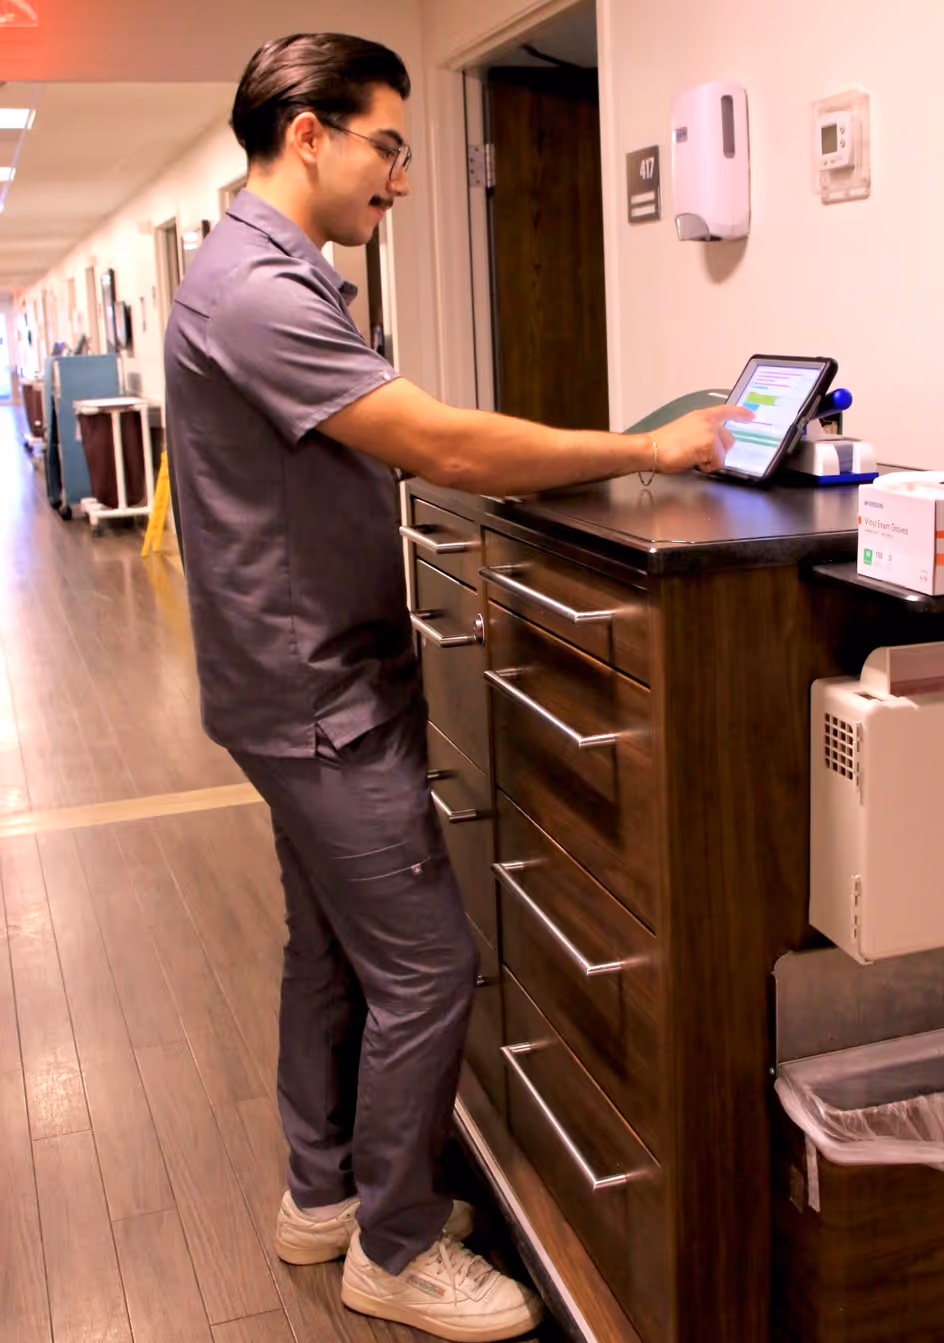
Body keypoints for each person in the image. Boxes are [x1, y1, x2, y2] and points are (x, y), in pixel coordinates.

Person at [163, 32, 751, 1343]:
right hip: (316, 693)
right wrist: (647, 443)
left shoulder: (266, 274)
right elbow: (428, 438)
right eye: (388, 145)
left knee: (328, 948)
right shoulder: (253, 291)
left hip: (289, 678)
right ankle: (394, 1243)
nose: (402, 180)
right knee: (428, 966)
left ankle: (326, 1189)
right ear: (306, 131)